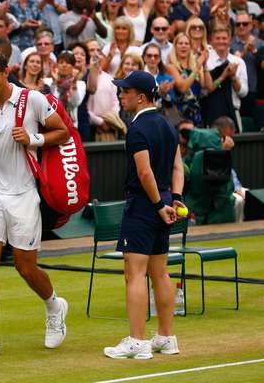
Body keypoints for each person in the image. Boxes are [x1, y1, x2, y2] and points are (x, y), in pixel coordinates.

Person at [0, 48, 70, 358]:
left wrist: (34, 139)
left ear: (6, 72)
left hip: (23, 194)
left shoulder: (32, 99)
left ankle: (54, 306)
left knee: (25, 266)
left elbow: (63, 131)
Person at [104, 70, 185, 360]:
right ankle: (166, 337)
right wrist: (173, 200)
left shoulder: (137, 130)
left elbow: (144, 171)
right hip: (163, 202)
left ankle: (137, 342)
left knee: (134, 274)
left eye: (125, 91)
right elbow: (177, 168)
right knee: (160, 272)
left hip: (144, 205)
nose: (120, 95)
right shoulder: (167, 125)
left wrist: (155, 205)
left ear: (140, 97)